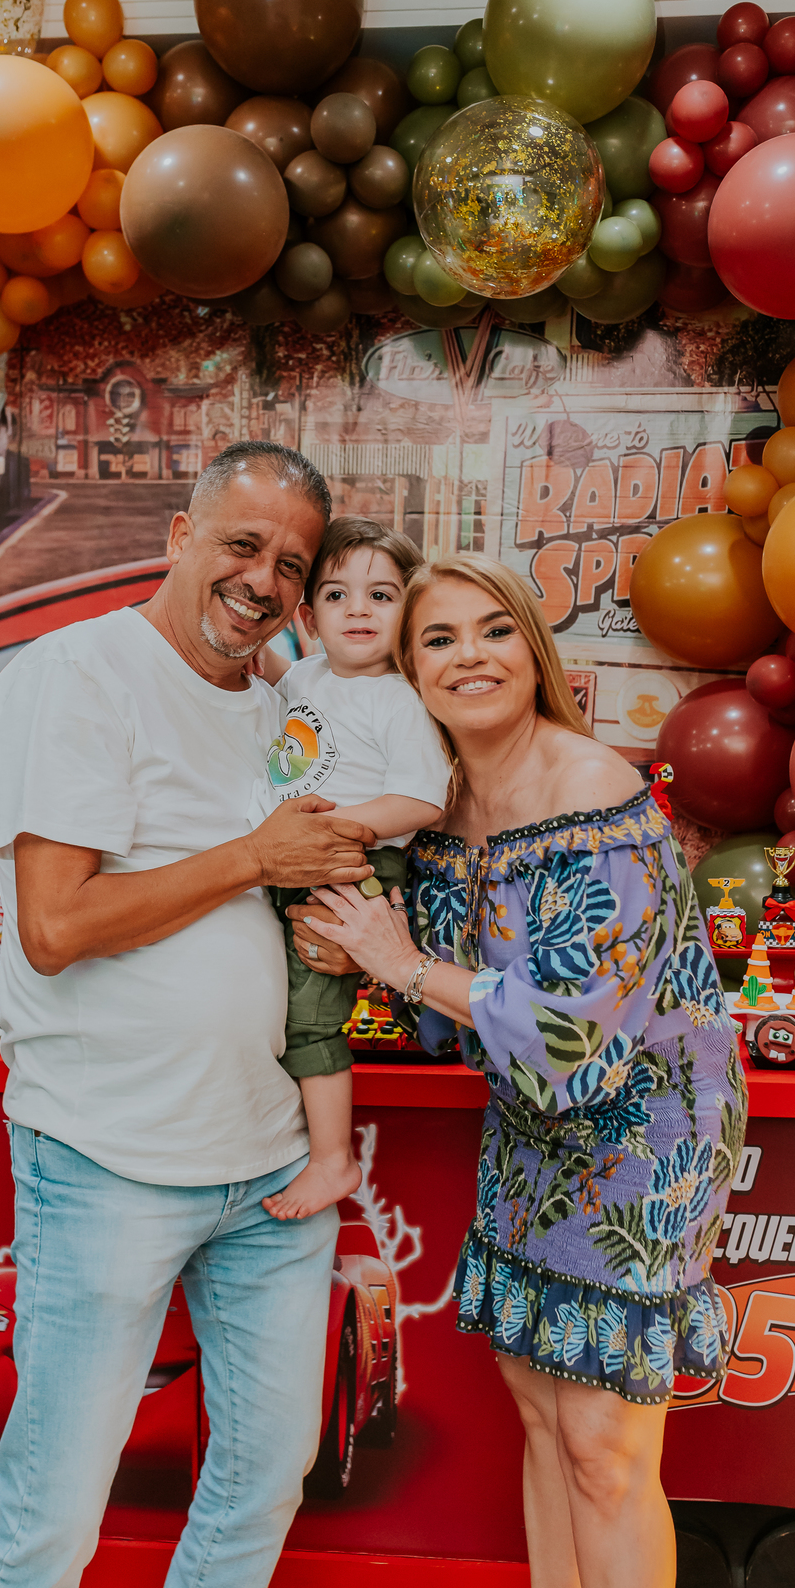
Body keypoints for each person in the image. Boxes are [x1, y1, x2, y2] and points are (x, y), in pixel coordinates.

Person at [0, 442, 377, 1588]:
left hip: (270, 1173)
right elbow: (54, 927)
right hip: (109, 1162)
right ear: (180, 536)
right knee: (53, 1511)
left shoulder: (284, 705)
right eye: (243, 545)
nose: (265, 580)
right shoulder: (79, 672)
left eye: (292, 565)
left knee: (261, 1481)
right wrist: (257, 859)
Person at [290, 554, 747, 1588]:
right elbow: (450, 1016)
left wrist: (398, 962)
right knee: (546, 1425)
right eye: (437, 640)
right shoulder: (440, 807)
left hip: (645, 1133)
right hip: (531, 1134)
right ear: (408, 671)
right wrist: (366, 953)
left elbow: (580, 1044)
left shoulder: (591, 786)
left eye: (493, 631)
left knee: (606, 1445)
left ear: (532, 651)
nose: (469, 658)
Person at [254, 517, 450, 1221]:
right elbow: (285, 684)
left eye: (381, 595)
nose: (358, 610)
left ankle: (334, 1159)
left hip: (350, 865)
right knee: (269, 1003)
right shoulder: (304, 673)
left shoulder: (400, 697)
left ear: (410, 611)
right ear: (308, 617)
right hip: (289, 860)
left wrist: (336, 831)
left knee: (311, 1017)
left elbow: (424, 798)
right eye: (337, 596)